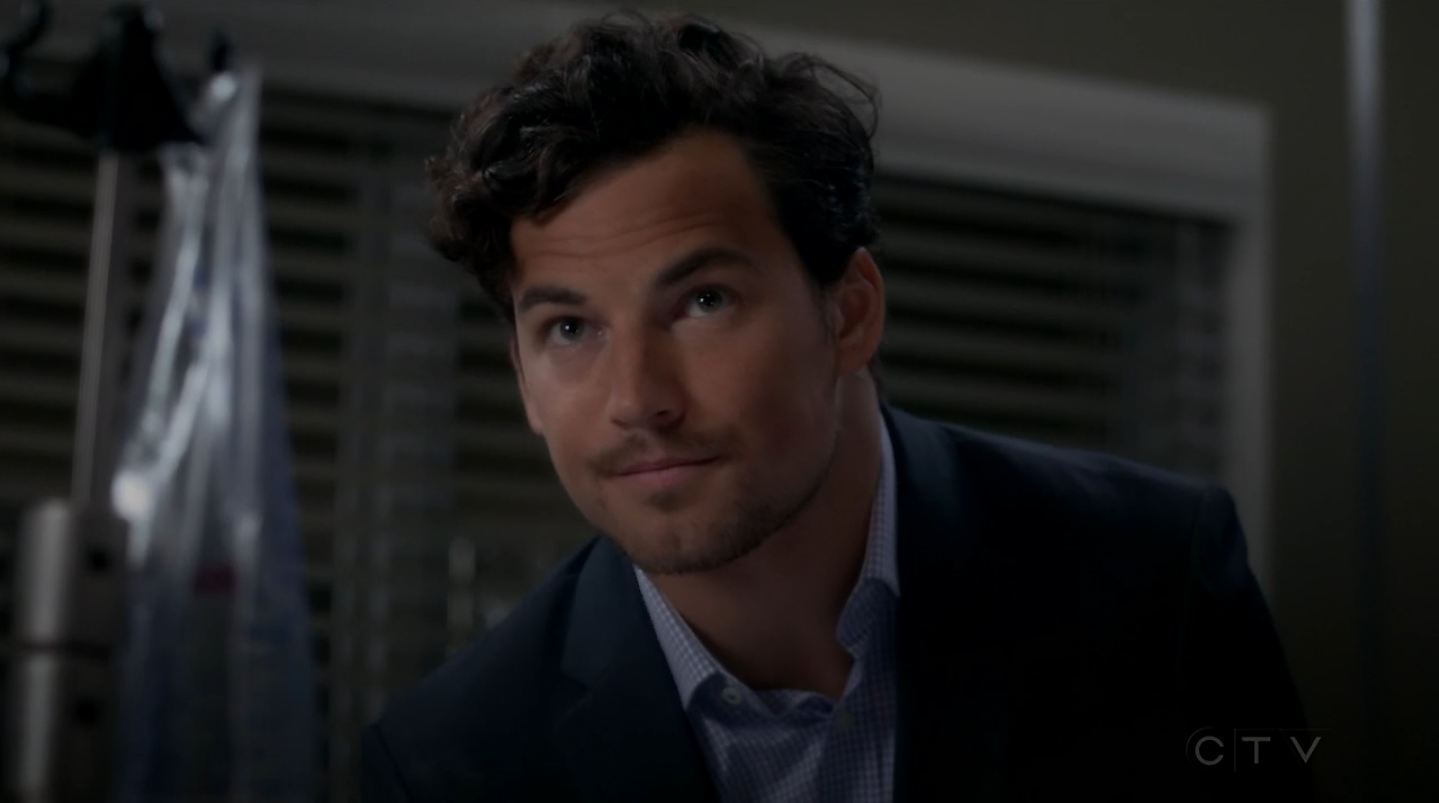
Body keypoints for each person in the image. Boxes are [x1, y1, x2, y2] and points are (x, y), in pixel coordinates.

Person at [361, 11, 1312, 802]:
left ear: (850, 313)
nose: (637, 399)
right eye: (570, 329)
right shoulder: (448, 764)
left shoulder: (1158, 584)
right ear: (524, 377)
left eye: (703, 302)